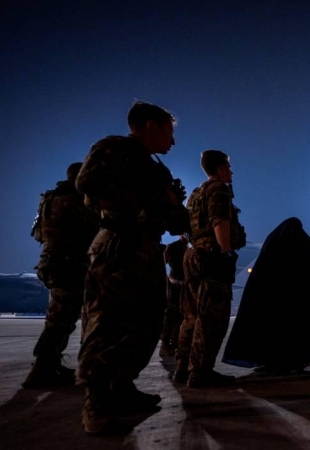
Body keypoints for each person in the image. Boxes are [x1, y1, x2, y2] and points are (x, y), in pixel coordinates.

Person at [76, 101, 189, 435]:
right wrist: (145, 205)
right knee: (107, 323)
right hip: (119, 246)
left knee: (146, 322)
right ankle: (95, 403)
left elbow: (175, 219)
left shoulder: (156, 169)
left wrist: (170, 207)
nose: (172, 141)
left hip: (146, 249)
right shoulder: (115, 150)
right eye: (168, 132)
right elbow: (88, 185)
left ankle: (122, 387)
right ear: (150, 126)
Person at [23, 162, 99, 389]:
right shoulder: (73, 200)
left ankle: (49, 364)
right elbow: (95, 227)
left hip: (54, 262)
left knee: (60, 318)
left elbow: (39, 234)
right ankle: (41, 369)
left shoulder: (51, 199)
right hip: (68, 265)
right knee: (60, 320)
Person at [174, 149, 245, 388]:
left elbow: (186, 227)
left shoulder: (195, 194)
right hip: (211, 257)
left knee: (191, 317)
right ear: (222, 167)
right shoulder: (218, 190)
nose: (231, 171)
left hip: (194, 255)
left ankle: (182, 368)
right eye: (229, 166)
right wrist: (225, 252)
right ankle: (201, 372)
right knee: (211, 319)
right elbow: (219, 221)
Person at [222, 217, 310, 372]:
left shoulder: (273, 246)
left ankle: (270, 359)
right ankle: (293, 360)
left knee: (271, 329)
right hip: (296, 302)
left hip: (271, 301)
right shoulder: (303, 245)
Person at [160, 234, 188, 357]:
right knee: (172, 315)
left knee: (181, 315)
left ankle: (175, 343)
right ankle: (165, 344)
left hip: (185, 286)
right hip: (175, 285)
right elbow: (163, 261)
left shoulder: (189, 247)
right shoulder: (173, 247)